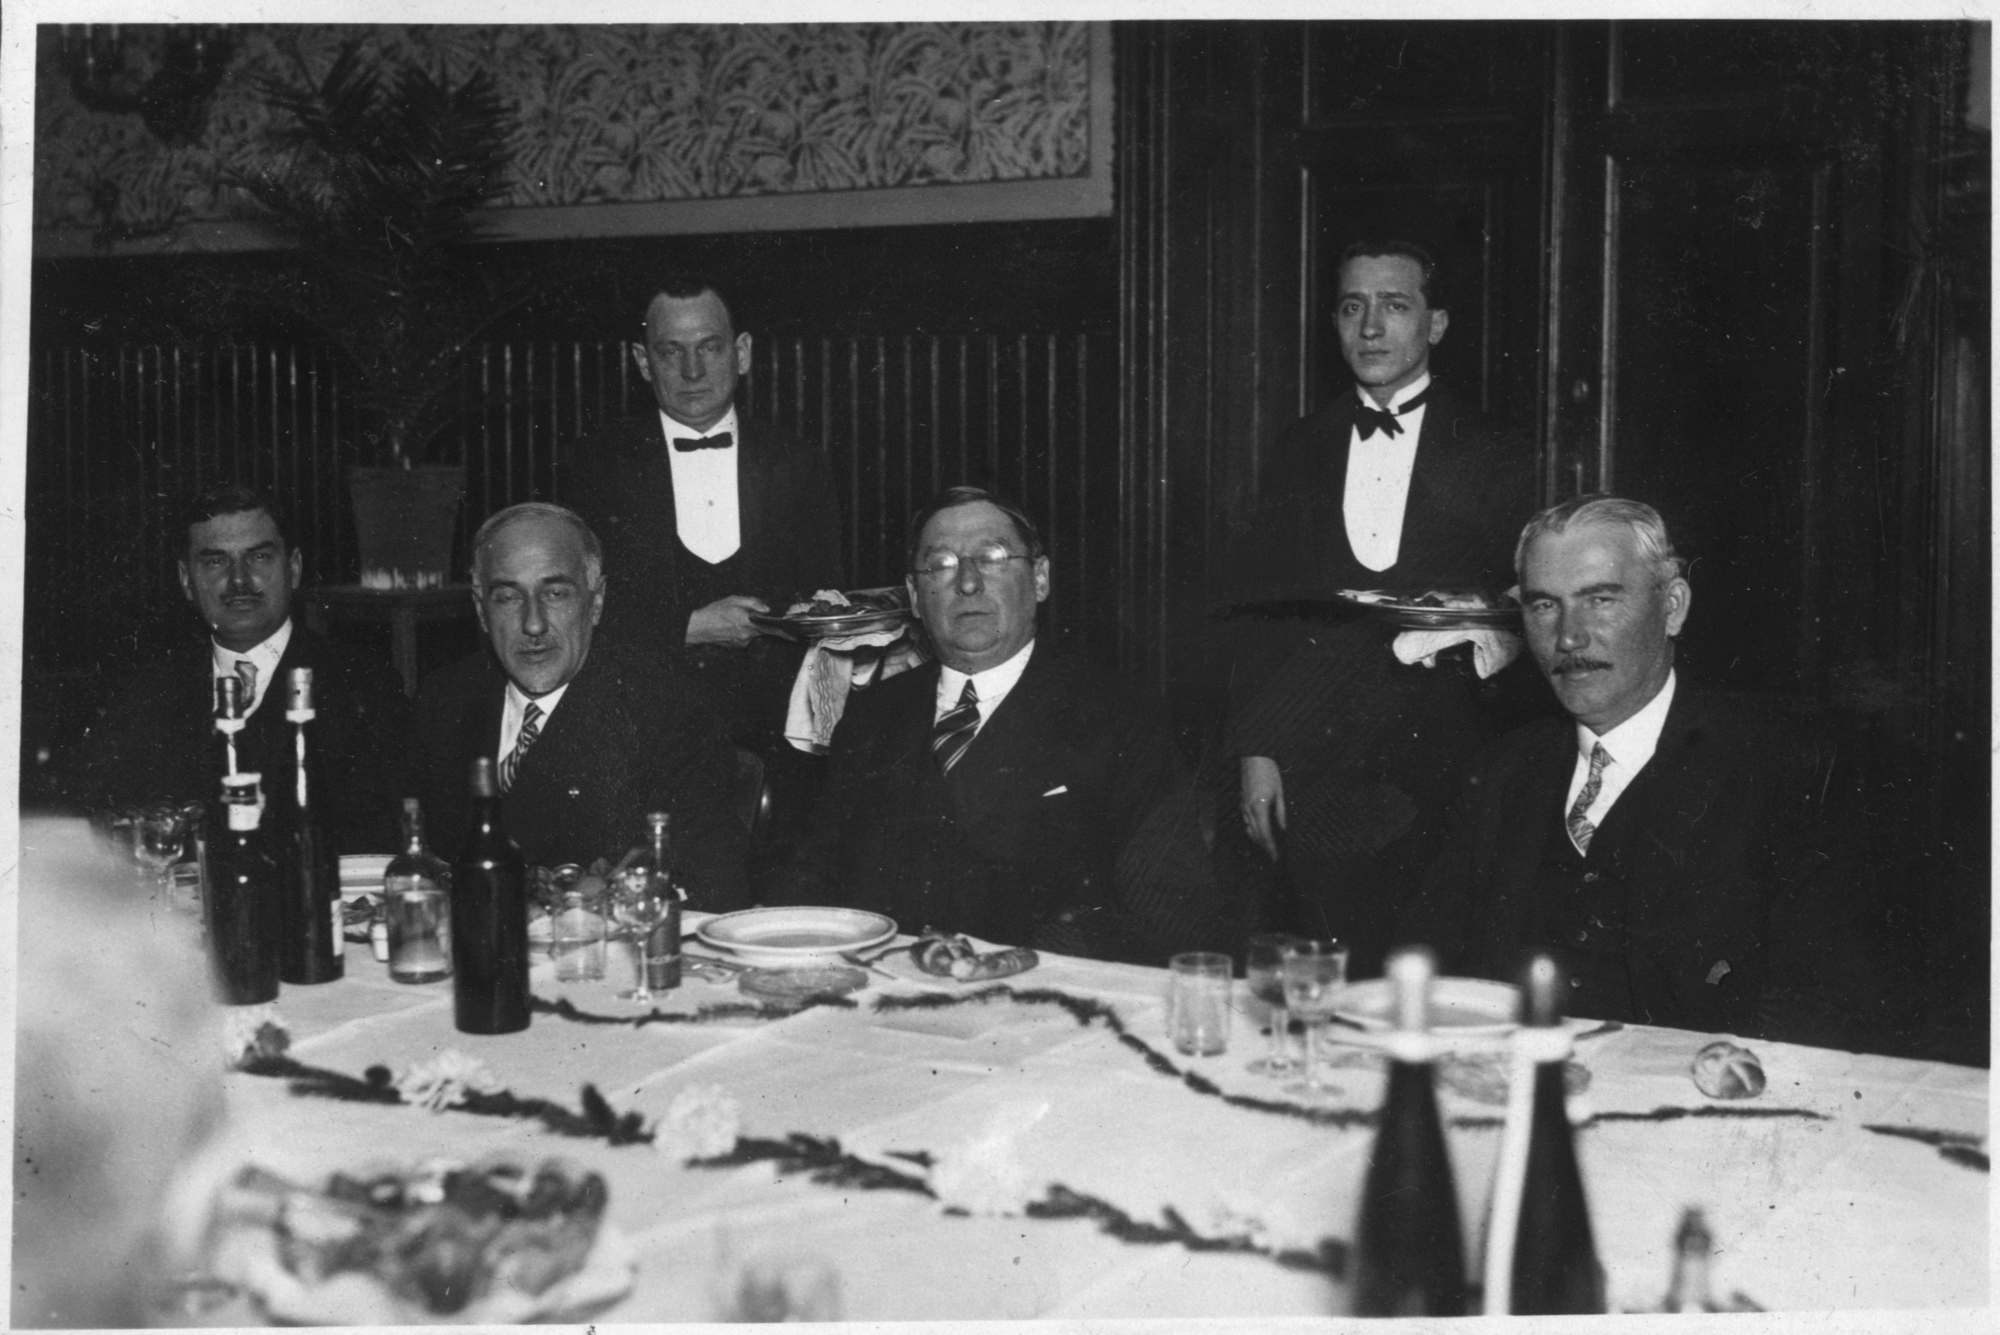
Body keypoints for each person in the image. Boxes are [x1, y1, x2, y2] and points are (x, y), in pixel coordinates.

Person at [1396, 496, 1878, 1043]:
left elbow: (1821, 1008)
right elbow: (1429, 974)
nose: (1569, 637)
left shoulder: (1784, 771)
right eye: (1544, 606)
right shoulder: (1503, 770)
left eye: (1600, 600)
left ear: (1672, 607)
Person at [1222, 239, 1539, 976]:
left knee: (1429, 964)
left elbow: (1524, 611)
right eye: (1352, 307)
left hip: (1445, 757)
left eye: (1394, 305)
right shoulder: (1299, 447)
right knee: (1319, 959)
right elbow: (1261, 615)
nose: (1370, 327)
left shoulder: (1495, 449)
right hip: (1316, 757)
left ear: (1436, 324)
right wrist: (1257, 752)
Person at [772, 487, 1228, 963]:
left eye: (992, 557)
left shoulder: (1119, 718)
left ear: (1040, 578)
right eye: (941, 564)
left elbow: (1171, 915)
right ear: (914, 595)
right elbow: (812, 876)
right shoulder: (873, 715)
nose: (968, 583)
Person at [560, 274, 845, 754]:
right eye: (671, 351)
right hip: (642, 730)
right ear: (643, 362)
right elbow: (571, 605)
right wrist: (687, 627)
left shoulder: (798, 462)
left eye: (709, 348)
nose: (692, 371)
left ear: (742, 353)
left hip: (779, 731)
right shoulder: (596, 467)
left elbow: (827, 600)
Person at [410, 503, 749, 906]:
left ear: (597, 601)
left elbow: (711, 890)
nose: (533, 624)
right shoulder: (445, 699)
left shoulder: (668, 713)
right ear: (481, 610)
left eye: (555, 594)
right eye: (507, 597)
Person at [68, 484, 408, 852]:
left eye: (259, 557)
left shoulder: (363, 685)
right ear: (186, 580)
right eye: (215, 562)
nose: (239, 580)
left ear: (293, 568)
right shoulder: (144, 695)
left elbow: (380, 839)